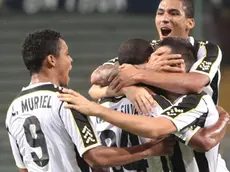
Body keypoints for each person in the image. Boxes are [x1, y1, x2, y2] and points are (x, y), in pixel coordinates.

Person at [5, 29, 175, 172]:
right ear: (51, 60)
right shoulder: (66, 100)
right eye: (67, 54)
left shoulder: (13, 110)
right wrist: (149, 150)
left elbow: (24, 168)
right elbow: (96, 158)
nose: (71, 61)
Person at [58, 37, 230, 172]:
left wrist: (101, 106)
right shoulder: (157, 102)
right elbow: (201, 140)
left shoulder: (105, 100)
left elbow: (96, 160)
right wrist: (224, 117)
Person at [89, 0, 222, 114]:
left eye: (174, 13)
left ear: (190, 23)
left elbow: (196, 83)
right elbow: (97, 78)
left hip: (197, 133)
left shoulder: (206, 49)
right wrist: (128, 87)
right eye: (160, 13)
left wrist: (138, 74)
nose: (164, 18)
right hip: (162, 134)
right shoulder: (147, 49)